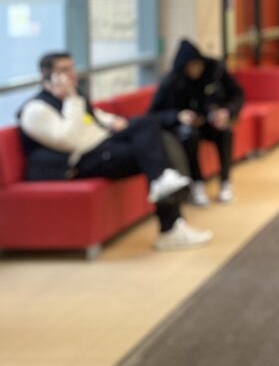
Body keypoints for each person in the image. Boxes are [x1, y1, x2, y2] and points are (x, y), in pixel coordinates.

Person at [17, 52, 213, 251]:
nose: (71, 74)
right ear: (46, 74)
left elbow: (94, 116)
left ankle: (168, 210)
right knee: (155, 156)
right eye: (63, 70)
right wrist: (71, 99)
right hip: (82, 160)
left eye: (72, 68)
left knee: (149, 127)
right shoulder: (36, 110)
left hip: (104, 145)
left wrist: (114, 121)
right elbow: (70, 140)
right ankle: (169, 223)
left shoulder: (74, 99)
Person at [148, 39, 244, 205]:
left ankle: (225, 182)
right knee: (189, 136)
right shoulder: (171, 82)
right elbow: (153, 114)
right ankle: (197, 184)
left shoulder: (215, 71)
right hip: (183, 129)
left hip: (210, 122)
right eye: (191, 66)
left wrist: (226, 111)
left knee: (225, 132)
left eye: (197, 65)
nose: (195, 70)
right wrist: (178, 116)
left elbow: (237, 94)